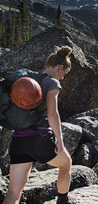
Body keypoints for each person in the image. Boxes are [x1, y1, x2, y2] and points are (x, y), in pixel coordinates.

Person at [3, 46, 73, 204]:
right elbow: (52, 113)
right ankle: (63, 201)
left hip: (18, 141)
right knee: (66, 164)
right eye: (64, 73)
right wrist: (59, 140)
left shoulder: (27, 80)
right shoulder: (52, 83)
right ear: (59, 67)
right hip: (39, 139)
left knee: (14, 191)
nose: (62, 77)